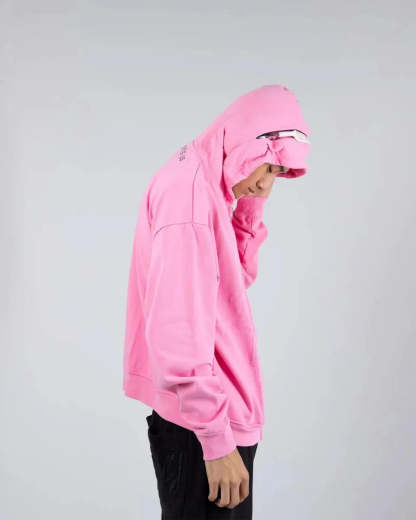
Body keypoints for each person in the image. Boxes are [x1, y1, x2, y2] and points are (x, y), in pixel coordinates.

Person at [123, 84, 311, 519]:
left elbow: (233, 280)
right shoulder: (188, 199)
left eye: (278, 173)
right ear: (245, 141)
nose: (265, 183)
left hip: (210, 416)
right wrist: (216, 441)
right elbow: (176, 327)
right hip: (204, 426)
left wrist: (250, 203)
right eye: (267, 166)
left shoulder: (203, 176)